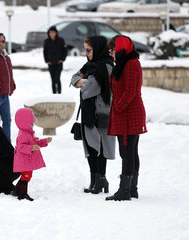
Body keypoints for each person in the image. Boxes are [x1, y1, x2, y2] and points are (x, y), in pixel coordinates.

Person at [71, 36, 116, 195]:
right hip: (89, 111)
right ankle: (94, 180)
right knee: (90, 146)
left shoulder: (106, 66)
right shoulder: (90, 65)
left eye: (89, 50)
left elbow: (90, 89)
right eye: (85, 50)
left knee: (100, 146)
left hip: (102, 111)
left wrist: (82, 83)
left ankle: (101, 179)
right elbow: (74, 78)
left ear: (97, 49)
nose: (86, 53)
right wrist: (83, 81)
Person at [105, 35, 147, 201]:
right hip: (127, 113)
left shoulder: (131, 64)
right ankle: (131, 189)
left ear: (121, 49)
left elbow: (131, 91)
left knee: (127, 152)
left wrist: (117, 107)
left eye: (113, 50)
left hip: (129, 114)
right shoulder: (125, 63)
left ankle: (125, 190)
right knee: (130, 151)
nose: (111, 54)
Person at [12, 108, 52, 201]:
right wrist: (31, 148)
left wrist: (45, 141)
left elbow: (36, 143)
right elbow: (21, 147)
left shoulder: (29, 133)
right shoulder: (23, 134)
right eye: (31, 123)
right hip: (24, 160)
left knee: (26, 176)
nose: (33, 125)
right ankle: (22, 194)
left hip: (27, 160)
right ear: (24, 123)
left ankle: (17, 190)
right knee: (26, 177)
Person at [43, 26, 67, 94]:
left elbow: (65, 50)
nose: (51, 34)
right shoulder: (46, 41)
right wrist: (47, 60)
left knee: (57, 78)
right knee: (53, 79)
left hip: (59, 63)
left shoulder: (61, 40)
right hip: (51, 63)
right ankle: (54, 94)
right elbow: (45, 51)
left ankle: (59, 93)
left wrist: (62, 59)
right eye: (50, 33)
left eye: (53, 32)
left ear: (56, 33)